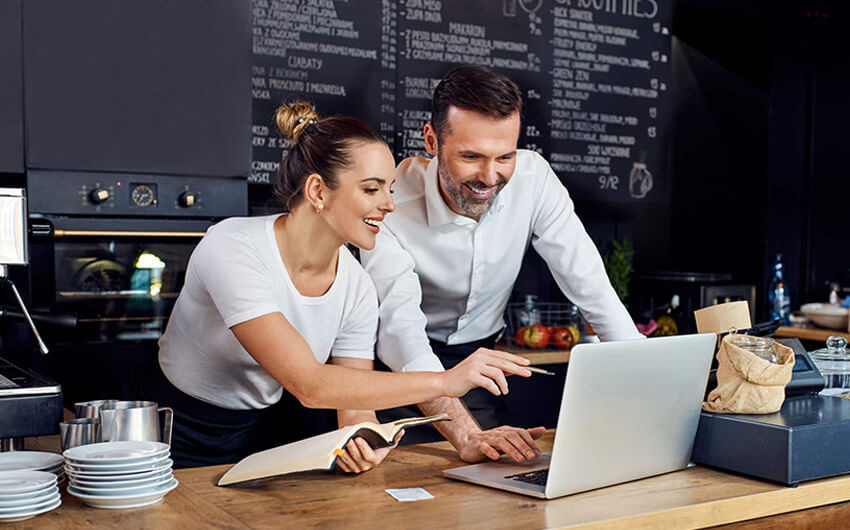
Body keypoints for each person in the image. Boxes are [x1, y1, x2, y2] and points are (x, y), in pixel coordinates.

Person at [133, 101, 536, 470]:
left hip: (268, 432)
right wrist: (446, 380)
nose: (389, 205)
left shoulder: (356, 286)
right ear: (317, 191)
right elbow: (309, 384)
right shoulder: (232, 246)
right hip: (174, 431)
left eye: (390, 190)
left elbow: (353, 404)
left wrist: (362, 436)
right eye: (371, 189)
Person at [360, 65, 643, 451]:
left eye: (505, 157)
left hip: (479, 363)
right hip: (397, 372)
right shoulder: (391, 203)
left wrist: (645, 382)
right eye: (471, 156)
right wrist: (465, 435)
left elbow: (590, 284)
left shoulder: (533, 179)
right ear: (431, 140)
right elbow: (400, 331)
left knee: (494, 470)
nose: (490, 177)